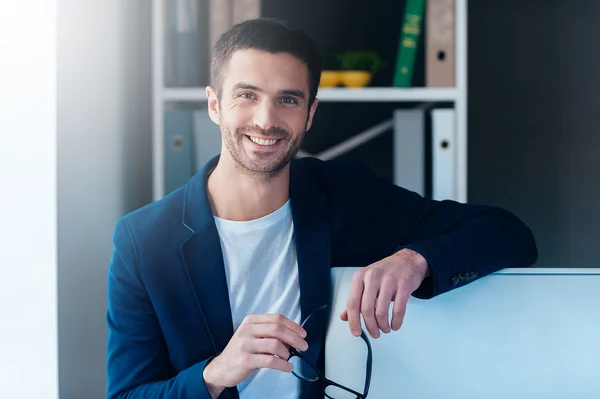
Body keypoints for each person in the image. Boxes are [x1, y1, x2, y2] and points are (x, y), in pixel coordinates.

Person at [105, 17, 538, 399]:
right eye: (247, 96)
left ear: (310, 113)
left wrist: (415, 260)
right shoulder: (143, 241)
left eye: (288, 100)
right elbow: (127, 394)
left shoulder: (346, 194)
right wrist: (216, 374)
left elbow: (509, 234)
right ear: (214, 104)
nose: (266, 119)